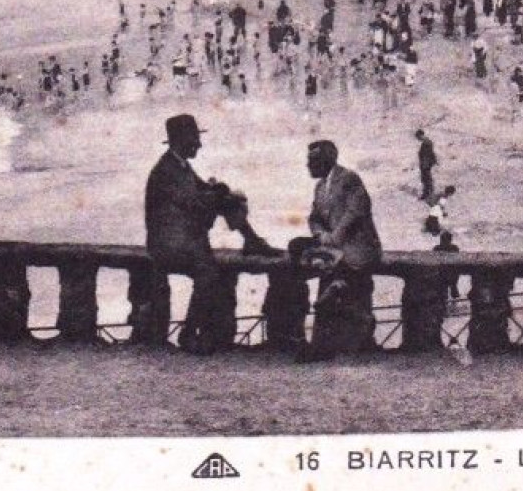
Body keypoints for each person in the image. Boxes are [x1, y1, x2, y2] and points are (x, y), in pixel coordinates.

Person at [144, 114, 270, 356]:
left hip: (182, 240)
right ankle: (189, 333)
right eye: (194, 140)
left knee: (226, 200)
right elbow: (194, 203)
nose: (199, 145)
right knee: (208, 272)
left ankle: (252, 240)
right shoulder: (166, 170)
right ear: (180, 140)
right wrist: (218, 196)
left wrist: (218, 191)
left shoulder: (179, 165)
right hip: (167, 246)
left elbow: (200, 191)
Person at [301, 139, 383, 358]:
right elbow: (314, 218)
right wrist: (321, 235)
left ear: (325, 161)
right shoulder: (319, 187)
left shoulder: (349, 179)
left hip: (358, 248)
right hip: (335, 248)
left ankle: (335, 343)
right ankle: (327, 343)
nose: (307, 165)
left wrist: (334, 238)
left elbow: (356, 212)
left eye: (312, 161)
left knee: (339, 279)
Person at [415, 129, 438, 202]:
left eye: (418, 137)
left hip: (426, 164)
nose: (418, 139)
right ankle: (427, 194)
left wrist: (425, 164)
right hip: (425, 164)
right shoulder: (426, 142)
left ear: (421, 135)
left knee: (427, 179)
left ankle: (429, 195)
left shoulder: (427, 143)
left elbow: (428, 154)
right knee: (425, 179)